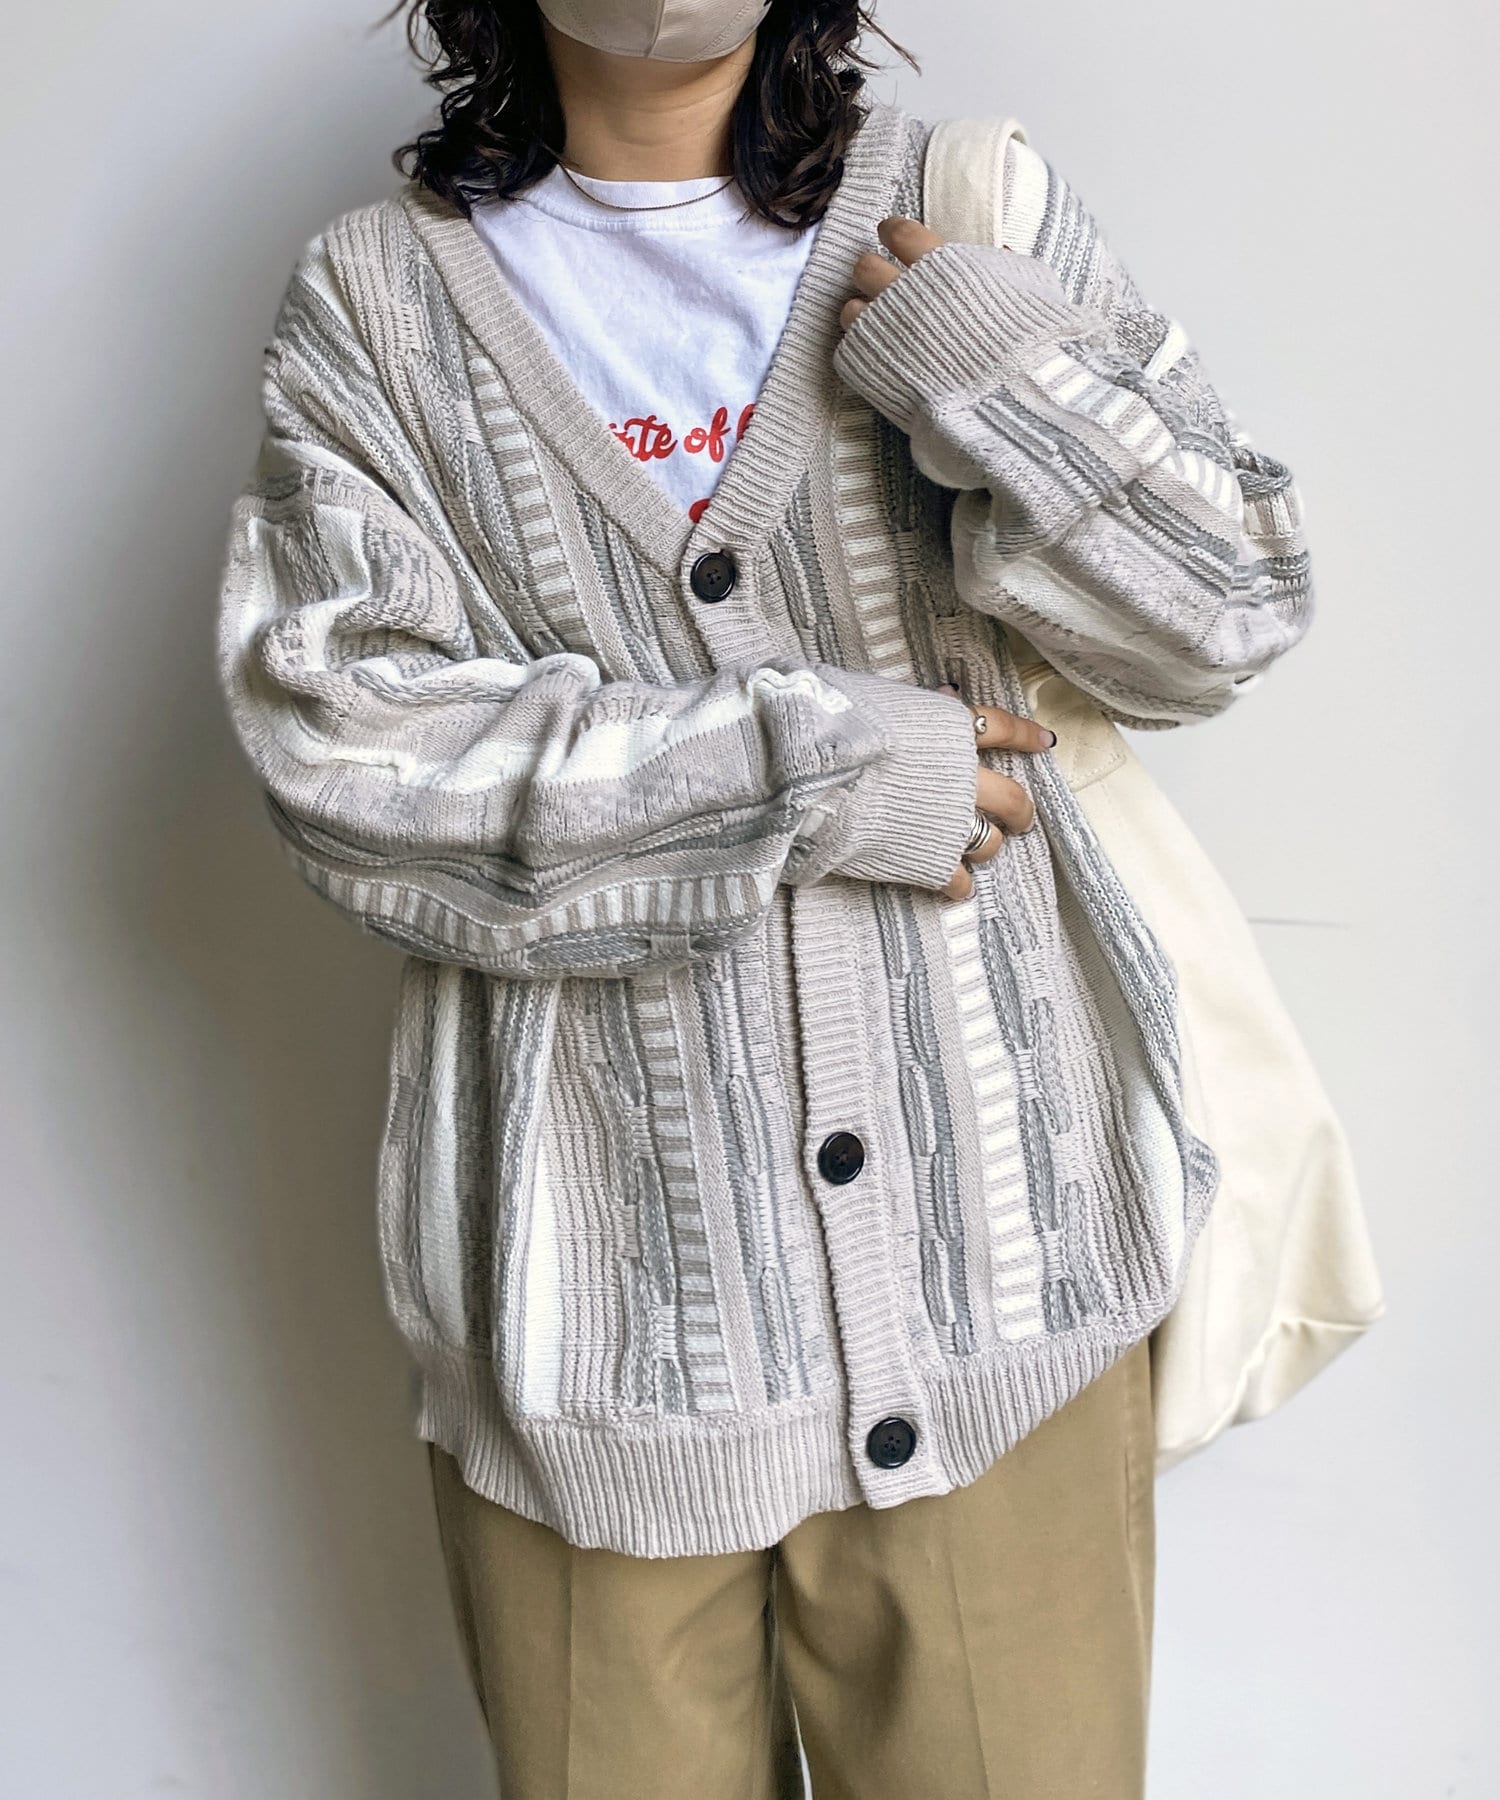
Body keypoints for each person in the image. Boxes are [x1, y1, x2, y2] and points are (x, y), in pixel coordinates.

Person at [213, 1, 1314, 1793]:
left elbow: (1232, 613)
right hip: (599, 1332)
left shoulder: (972, 209)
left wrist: (1000, 376)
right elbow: (343, 755)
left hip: (997, 1299)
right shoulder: (380, 302)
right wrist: (806, 770)